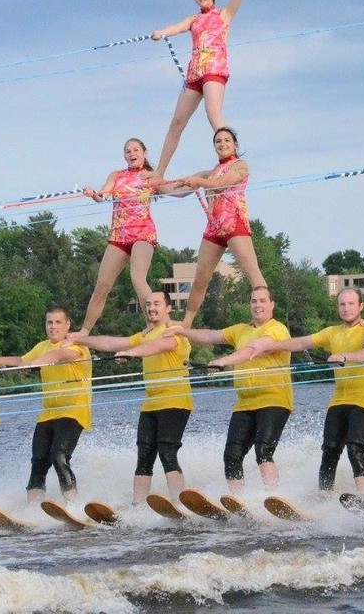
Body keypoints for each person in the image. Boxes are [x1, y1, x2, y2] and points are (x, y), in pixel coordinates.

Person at [214, 288, 364, 495]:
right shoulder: (332, 332)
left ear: (361, 306)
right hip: (338, 401)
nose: (346, 308)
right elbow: (302, 342)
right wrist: (270, 346)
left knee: (354, 450)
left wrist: (346, 357)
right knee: (329, 451)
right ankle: (324, 496)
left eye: (350, 304)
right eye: (342, 304)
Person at [149, 0, 270, 178]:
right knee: (177, 122)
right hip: (194, 75)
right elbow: (176, 27)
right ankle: (159, 171)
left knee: (213, 115)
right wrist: (161, 33)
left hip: (214, 71)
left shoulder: (224, 15)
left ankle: (231, 162)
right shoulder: (194, 19)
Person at [71, 291, 192, 502]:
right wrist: (82, 340)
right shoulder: (145, 335)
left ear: (168, 308)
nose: (151, 308)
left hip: (175, 401)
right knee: (144, 456)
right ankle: (139, 504)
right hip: (150, 403)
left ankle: (179, 501)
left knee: (166, 451)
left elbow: (158, 347)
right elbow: (114, 343)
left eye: (156, 304)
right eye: (148, 304)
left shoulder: (175, 332)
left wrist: (132, 353)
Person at [172, 286, 290, 491]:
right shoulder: (241, 330)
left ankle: (275, 497)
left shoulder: (277, 329)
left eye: (262, 301)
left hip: (274, 400)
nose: (258, 305)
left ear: (272, 304)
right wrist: (182, 332)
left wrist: (223, 361)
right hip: (244, 403)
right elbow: (211, 336)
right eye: (254, 301)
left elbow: (253, 350)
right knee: (231, 456)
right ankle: (239, 500)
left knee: (263, 451)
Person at [0, 307, 93, 504]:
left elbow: (58, 357)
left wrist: (32, 364)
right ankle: (33, 508)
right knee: (38, 461)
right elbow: (20, 360)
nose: (53, 327)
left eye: (58, 322)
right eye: (49, 323)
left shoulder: (76, 345)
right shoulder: (42, 346)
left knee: (59, 456)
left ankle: (73, 504)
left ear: (68, 325)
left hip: (74, 411)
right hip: (48, 414)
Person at [163, 127, 266, 328]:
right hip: (213, 228)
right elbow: (180, 189)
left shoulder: (240, 166)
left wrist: (199, 182)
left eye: (227, 140)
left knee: (252, 272)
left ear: (235, 144)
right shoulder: (211, 172)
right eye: (218, 141)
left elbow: (221, 184)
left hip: (234, 224)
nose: (222, 144)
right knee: (201, 277)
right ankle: (187, 322)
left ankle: (265, 320)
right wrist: (153, 184)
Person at [78, 138, 168, 335]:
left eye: (136, 150)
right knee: (102, 286)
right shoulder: (116, 175)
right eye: (128, 151)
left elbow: (172, 190)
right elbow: (103, 196)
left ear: (145, 152)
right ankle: (84, 331)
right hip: (119, 235)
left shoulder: (150, 176)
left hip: (143, 234)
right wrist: (93, 194)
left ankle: (154, 325)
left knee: (137, 277)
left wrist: (192, 184)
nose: (132, 153)